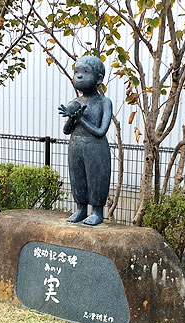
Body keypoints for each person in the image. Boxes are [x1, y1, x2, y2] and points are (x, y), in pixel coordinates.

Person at [58, 55, 113, 226]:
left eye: (85, 72)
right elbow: (66, 131)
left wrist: (80, 119)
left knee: (96, 178)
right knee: (77, 177)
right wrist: (71, 117)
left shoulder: (104, 102)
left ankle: (97, 212)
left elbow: (101, 131)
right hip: (75, 145)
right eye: (76, 72)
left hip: (96, 148)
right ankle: (81, 209)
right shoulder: (74, 102)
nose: (79, 76)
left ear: (99, 78)